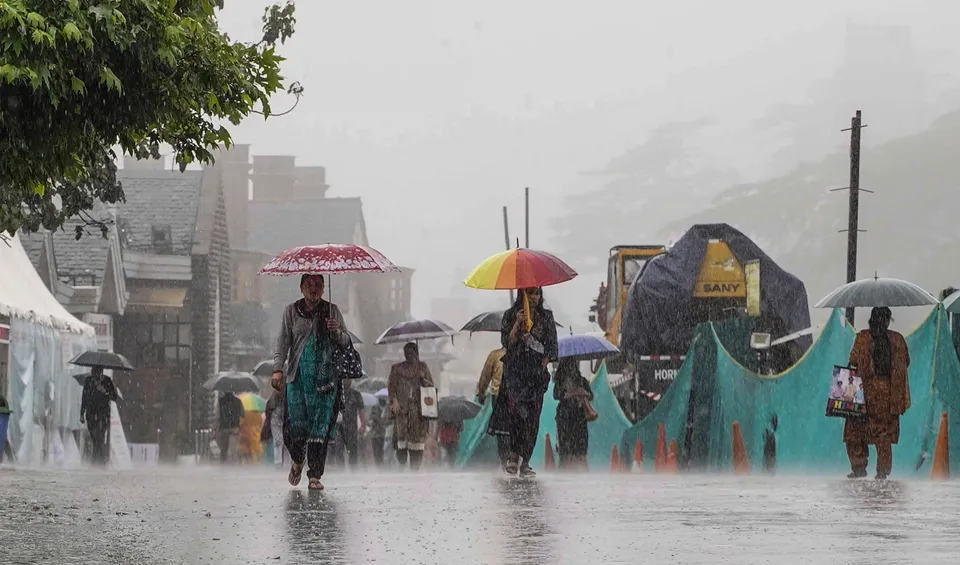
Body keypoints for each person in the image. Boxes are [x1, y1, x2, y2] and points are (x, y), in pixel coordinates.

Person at [272, 274, 351, 490]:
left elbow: (346, 342)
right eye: (309, 285)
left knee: (320, 428)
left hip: (325, 381)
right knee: (294, 429)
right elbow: (283, 342)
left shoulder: (332, 311)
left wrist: (336, 332)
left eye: (318, 285)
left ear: (324, 288)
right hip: (297, 378)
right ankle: (298, 460)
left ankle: (315, 475)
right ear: (301, 288)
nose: (314, 289)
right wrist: (278, 369)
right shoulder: (291, 312)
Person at [488, 288, 558, 476]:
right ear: (522, 295)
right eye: (530, 293)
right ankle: (513, 456)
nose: (534, 297)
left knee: (532, 420)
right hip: (515, 375)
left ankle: (525, 461)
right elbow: (507, 343)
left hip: (536, 376)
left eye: (537, 293)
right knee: (517, 415)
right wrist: (517, 325)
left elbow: (552, 347)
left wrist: (543, 364)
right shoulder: (511, 315)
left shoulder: (546, 317)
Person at [843, 307, 911, 480]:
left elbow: (852, 360)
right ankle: (882, 471)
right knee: (883, 433)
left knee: (855, 429)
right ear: (887, 321)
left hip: (862, 389)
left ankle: (859, 467)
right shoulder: (897, 339)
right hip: (888, 392)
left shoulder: (862, 337)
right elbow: (906, 362)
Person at [388, 342, 434, 470]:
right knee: (401, 446)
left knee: (417, 445)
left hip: (418, 413)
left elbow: (430, 388)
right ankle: (401, 457)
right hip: (402, 412)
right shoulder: (397, 369)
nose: (409, 355)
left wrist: (423, 379)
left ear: (416, 353)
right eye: (406, 353)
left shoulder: (422, 367)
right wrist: (394, 401)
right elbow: (391, 389)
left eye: (411, 352)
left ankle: (414, 471)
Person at [553, 358, 593, 470]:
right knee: (567, 450)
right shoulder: (560, 382)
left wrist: (584, 393)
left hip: (578, 417)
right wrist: (573, 393)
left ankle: (579, 470)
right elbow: (556, 395)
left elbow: (591, 395)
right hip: (566, 417)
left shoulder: (582, 381)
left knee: (579, 449)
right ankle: (568, 470)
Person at [79, 366, 119, 465]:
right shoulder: (88, 381)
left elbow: (114, 397)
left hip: (103, 413)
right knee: (94, 437)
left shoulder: (107, 381)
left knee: (100, 437)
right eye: (93, 372)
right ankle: (99, 461)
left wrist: (104, 391)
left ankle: (97, 461)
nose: (95, 374)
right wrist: (82, 413)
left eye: (97, 372)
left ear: (101, 372)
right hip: (91, 413)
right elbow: (84, 397)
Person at [476, 346, 509, 463]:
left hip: (499, 397)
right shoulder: (522, 353)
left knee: (502, 431)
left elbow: (485, 376)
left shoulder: (495, 355)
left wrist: (481, 393)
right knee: (509, 430)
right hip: (510, 397)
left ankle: (505, 458)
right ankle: (508, 458)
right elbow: (485, 376)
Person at [337, 380, 366, 469]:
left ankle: (353, 469)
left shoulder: (356, 395)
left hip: (352, 427)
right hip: (338, 427)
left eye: (348, 378)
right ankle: (340, 469)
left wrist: (363, 425)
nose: (346, 381)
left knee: (353, 450)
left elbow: (361, 411)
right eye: (344, 379)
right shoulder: (336, 394)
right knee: (339, 449)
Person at [215, 391, 244, 463]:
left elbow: (217, 416)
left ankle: (223, 464)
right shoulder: (238, 401)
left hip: (223, 428)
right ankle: (234, 465)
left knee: (223, 449)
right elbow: (243, 414)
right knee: (234, 450)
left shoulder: (220, 402)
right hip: (234, 428)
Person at [368, 397, 388, 467]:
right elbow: (369, 419)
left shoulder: (387, 409)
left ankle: (381, 466)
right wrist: (373, 418)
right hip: (374, 434)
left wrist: (378, 419)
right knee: (376, 452)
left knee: (381, 452)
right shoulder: (374, 408)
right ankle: (378, 466)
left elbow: (386, 421)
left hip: (383, 434)